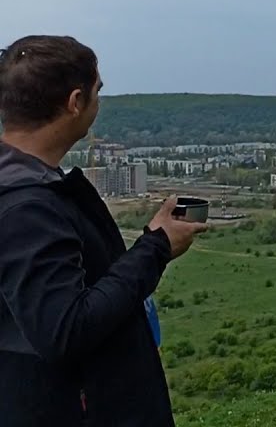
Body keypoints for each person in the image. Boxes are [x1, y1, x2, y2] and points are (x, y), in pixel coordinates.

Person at [0, 35, 208, 427]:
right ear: (75, 102)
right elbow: (65, 329)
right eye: (97, 91)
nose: (99, 103)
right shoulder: (26, 205)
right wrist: (156, 248)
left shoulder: (24, 184)